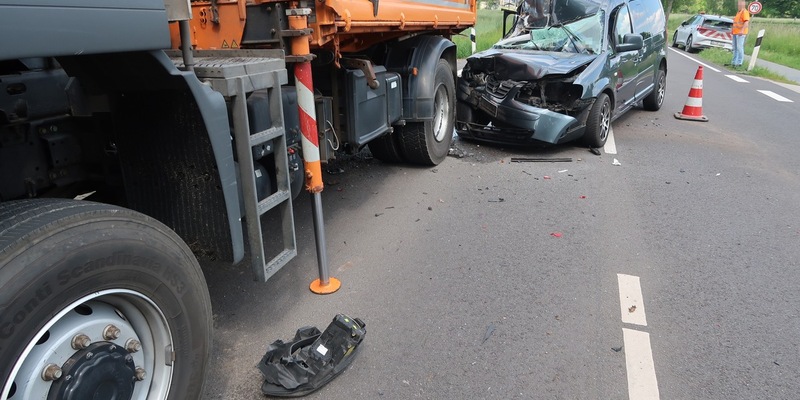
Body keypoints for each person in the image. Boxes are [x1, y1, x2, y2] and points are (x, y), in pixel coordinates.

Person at [731, 0, 750, 68]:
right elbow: (736, 23)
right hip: (735, 32)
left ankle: (739, 62)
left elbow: (746, 22)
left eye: (740, 3)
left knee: (739, 48)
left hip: (740, 33)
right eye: (738, 3)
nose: (739, 4)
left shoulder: (744, 12)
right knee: (735, 48)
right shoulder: (738, 12)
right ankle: (733, 62)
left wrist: (742, 30)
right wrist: (732, 30)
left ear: (743, 4)